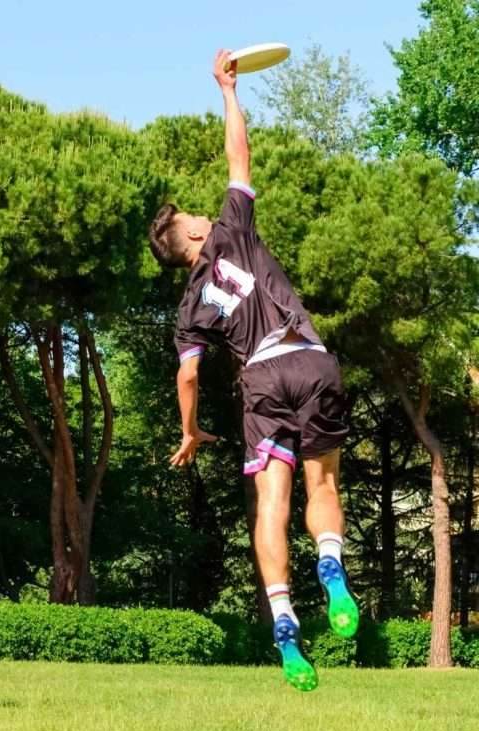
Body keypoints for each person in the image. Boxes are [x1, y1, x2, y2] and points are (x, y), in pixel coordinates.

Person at [147, 50, 358, 691]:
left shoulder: (188, 309)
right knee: (322, 488)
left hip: (262, 382)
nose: (204, 217)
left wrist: (189, 431)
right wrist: (228, 91)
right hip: (311, 361)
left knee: (272, 501)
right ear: (186, 240)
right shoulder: (232, 232)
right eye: (193, 220)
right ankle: (331, 567)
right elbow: (240, 157)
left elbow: (187, 377)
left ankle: (285, 621)